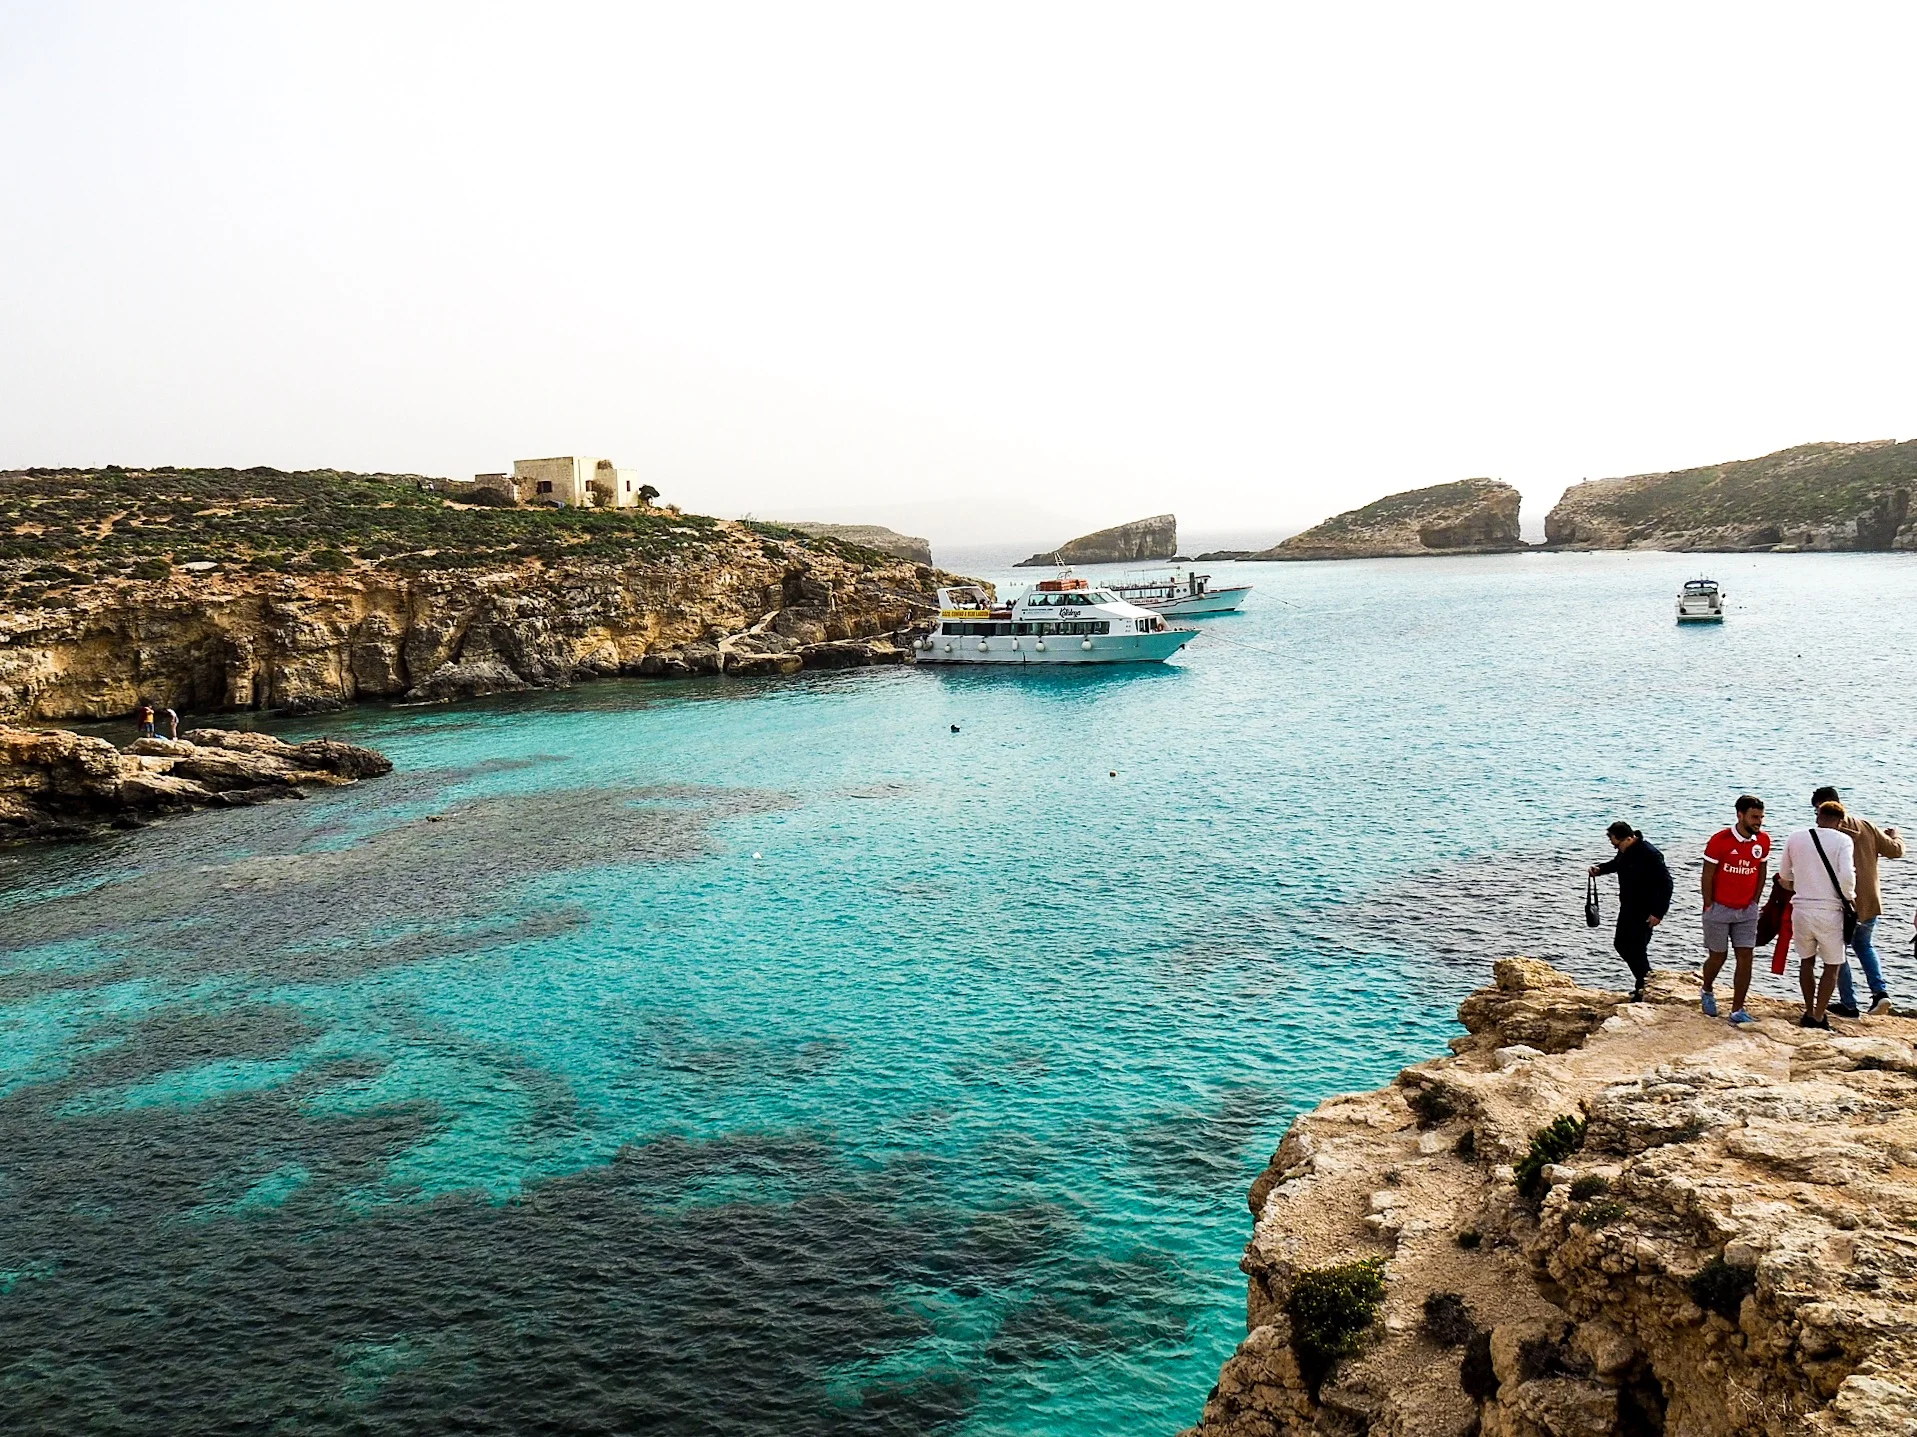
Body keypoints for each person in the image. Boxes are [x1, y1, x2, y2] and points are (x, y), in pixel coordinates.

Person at [1813, 786, 1904, 1018]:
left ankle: (1849, 1003)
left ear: (1823, 807)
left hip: (1843, 903)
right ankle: (1880, 993)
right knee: (1864, 946)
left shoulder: (1826, 834)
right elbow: (1896, 851)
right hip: (1870, 901)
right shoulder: (1866, 826)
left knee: (1837, 951)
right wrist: (1895, 835)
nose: (1816, 816)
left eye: (1817, 810)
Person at [1777, 799, 1857, 1030]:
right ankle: (1819, 1016)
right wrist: (1849, 895)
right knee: (1832, 966)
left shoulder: (1796, 837)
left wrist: (1802, 883)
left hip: (1801, 909)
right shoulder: (1844, 840)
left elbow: (1784, 874)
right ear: (1841, 821)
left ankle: (1809, 1009)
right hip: (1829, 912)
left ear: (1817, 816)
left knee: (1806, 962)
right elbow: (1846, 877)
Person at [1699, 796, 1769, 1025]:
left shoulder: (1763, 841)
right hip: (1719, 908)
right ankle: (1707, 989)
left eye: (1761, 817)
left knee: (1746, 956)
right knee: (1718, 956)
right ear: (1740, 815)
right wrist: (1709, 904)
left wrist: (1755, 901)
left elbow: (1761, 871)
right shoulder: (1720, 840)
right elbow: (1707, 874)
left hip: (1746, 910)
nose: (1758, 822)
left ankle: (1738, 1009)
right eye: (1754, 817)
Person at [1590, 821, 1674, 1000]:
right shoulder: (1625, 851)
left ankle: (1645, 987)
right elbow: (1617, 864)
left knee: (1636, 949)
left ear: (1628, 838)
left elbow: (1666, 884)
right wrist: (1600, 869)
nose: (1614, 846)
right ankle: (1644, 984)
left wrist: (1658, 913)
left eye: (1616, 843)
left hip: (1645, 910)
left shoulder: (1650, 854)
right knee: (1621, 945)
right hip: (1628, 907)